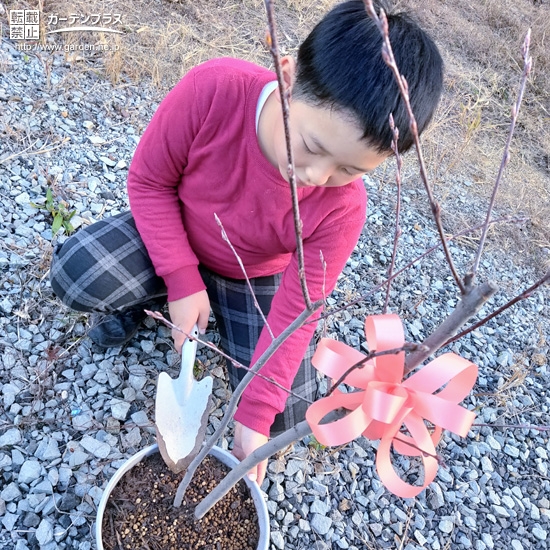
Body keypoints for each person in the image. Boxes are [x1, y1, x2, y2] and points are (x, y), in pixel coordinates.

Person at [50, 0, 443, 484]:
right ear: (287, 78)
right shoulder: (213, 90)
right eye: (313, 147)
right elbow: (149, 183)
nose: (316, 177)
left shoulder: (344, 209)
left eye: (350, 170)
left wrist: (253, 419)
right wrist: (179, 277)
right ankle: (144, 301)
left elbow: (300, 309)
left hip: (251, 278)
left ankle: (207, 309)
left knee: (288, 415)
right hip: (175, 233)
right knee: (80, 272)